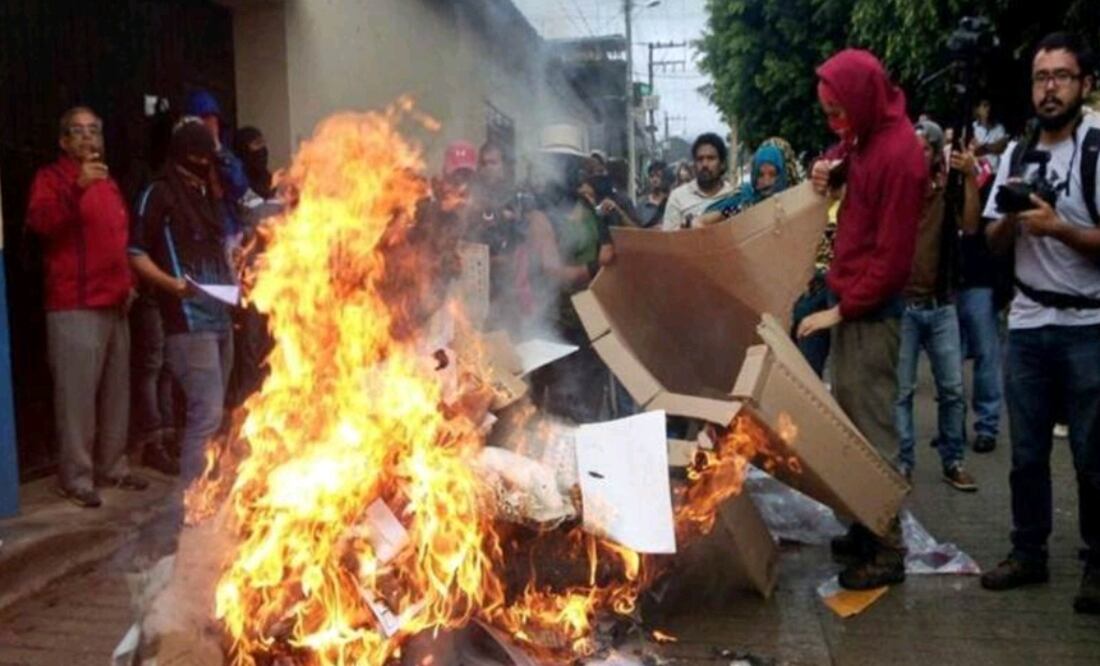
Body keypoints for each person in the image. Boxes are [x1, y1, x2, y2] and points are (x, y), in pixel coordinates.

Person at [978, 33, 1100, 616]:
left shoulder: (1099, 147)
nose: (1049, 89)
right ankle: (1028, 552)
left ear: (1085, 84)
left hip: (1088, 324)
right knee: (1025, 454)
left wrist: (1060, 230)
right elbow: (990, 239)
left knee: (1092, 455)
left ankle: (1097, 564)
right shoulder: (1015, 153)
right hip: (1025, 323)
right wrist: (1009, 220)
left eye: (1061, 76)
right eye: (1040, 78)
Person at [797, 49, 927, 590]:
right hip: (851, 302)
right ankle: (864, 527)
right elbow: (846, 153)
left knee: (872, 433)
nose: (834, 124)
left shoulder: (902, 156)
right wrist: (829, 165)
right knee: (851, 426)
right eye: (827, 114)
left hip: (871, 315)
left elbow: (893, 263)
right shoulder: (867, 136)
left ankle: (888, 549)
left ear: (862, 100)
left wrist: (838, 312)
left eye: (838, 111)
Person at [26, 106, 148, 507]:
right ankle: (76, 477)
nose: (87, 139)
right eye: (77, 132)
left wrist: (128, 284)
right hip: (74, 304)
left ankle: (113, 466)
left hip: (114, 302)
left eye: (94, 131)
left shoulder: (108, 182)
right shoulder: (51, 179)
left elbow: (116, 238)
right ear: (63, 141)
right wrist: (76, 187)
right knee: (76, 400)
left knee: (116, 394)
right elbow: (41, 224)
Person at [130, 118, 237, 485]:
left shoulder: (206, 195)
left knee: (217, 414)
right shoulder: (158, 193)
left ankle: (210, 490)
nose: (204, 162)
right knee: (204, 414)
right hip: (188, 323)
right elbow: (136, 253)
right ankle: (193, 505)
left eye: (207, 155)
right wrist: (171, 284)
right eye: (197, 155)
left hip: (220, 317)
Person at [893, 120, 979, 491]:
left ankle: (953, 460)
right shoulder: (897, 192)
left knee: (952, 390)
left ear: (934, 154)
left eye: (924, 148)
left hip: (941, 304)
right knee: (901, 391)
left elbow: (972, 225)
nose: (917, 155)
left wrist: (970, 179)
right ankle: (901, 464)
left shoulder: (948, 191)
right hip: (903, 305)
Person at [697, 141, 790, 225]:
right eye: (760, 175)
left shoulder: (792, 201)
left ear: (781, 175)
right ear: (754, 176)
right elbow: (705, 220)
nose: (766, 181)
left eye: (772, 174)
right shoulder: (744, 202)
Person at [661, 133, 737, 230]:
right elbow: (668, 239)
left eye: (711, 158)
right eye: (700, 159)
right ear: (694, 164)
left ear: (722, 164)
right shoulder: (678, 197)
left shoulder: (733, 196)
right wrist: (688, 225)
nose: (704, 164)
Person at [972, 98, 1009, 173]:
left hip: (995, 173)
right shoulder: (973, 127)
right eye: (984, 106)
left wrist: (983, 148)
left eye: (989, 106)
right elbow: (973, 151)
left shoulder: (999, 128)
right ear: (978, 110)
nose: (988, 109)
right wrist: (994, 146)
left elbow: (1002, 148)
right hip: (978, 173)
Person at [638, 161, 671, 228]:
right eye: (652, 176)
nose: (655, 179)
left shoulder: (672, 201)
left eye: (658, 176)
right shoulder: (642, 203)